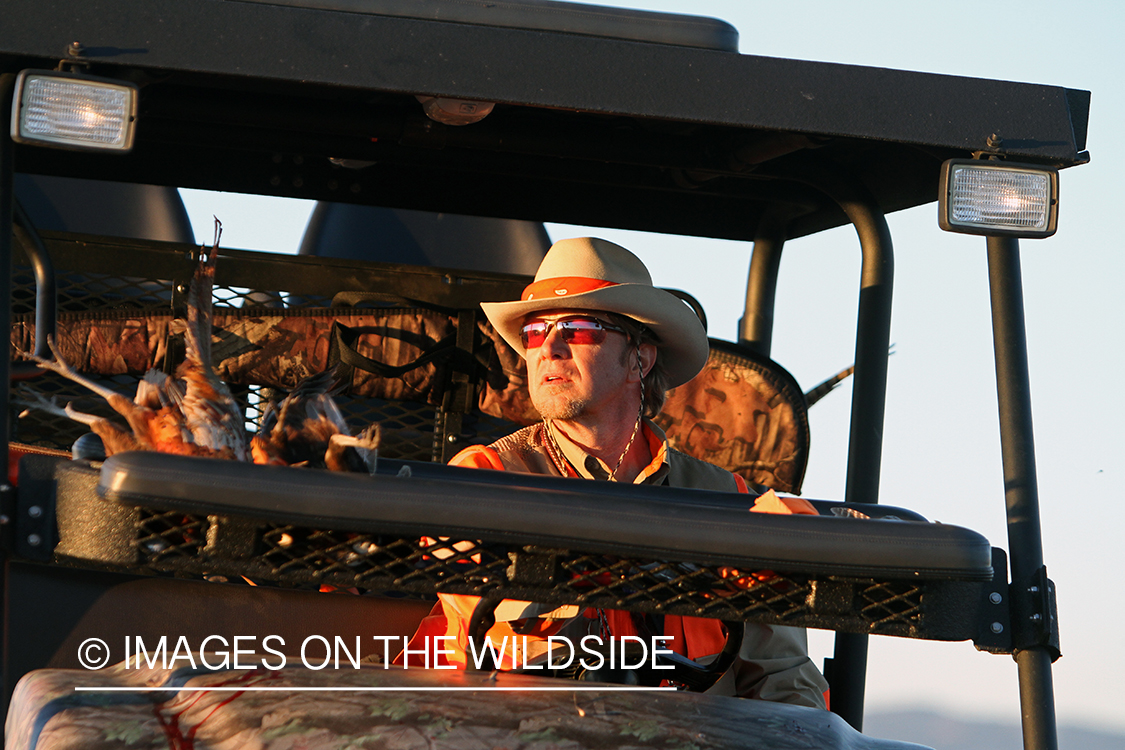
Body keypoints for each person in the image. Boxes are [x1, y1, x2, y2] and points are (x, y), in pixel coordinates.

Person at [400, 237, 828, 708]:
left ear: (639, 359)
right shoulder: (483, 477)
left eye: (579, 328)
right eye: (536, 332)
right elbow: (491, 646)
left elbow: (784, 680)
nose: (550, 348)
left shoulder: (730, 497)